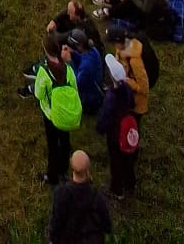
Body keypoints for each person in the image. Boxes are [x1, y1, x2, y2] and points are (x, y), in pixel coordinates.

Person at [34, 31, 82, 185]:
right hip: (66, 112)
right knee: (65, 141)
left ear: (46, 50)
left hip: (50, 115)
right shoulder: (68, 69)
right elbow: (74, 88)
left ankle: (52, 176)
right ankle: (63, 170)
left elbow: (38, 94)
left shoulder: (44, 71)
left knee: (53, 145)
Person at [93, 56, 138, 197]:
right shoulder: (127, 89)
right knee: (128, 158)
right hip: (126, 127)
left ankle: (117, 189)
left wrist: (99, 128)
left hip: (115, 133)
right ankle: (130, 182)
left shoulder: (110, 97)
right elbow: (132, 103)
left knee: (116, 160)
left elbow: (105, 117)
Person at [48, 149, 112, 243]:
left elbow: (55, 225)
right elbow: (107, 227)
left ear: (71, 167)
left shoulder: (61, 193)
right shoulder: (96, 196)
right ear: (88, 169)